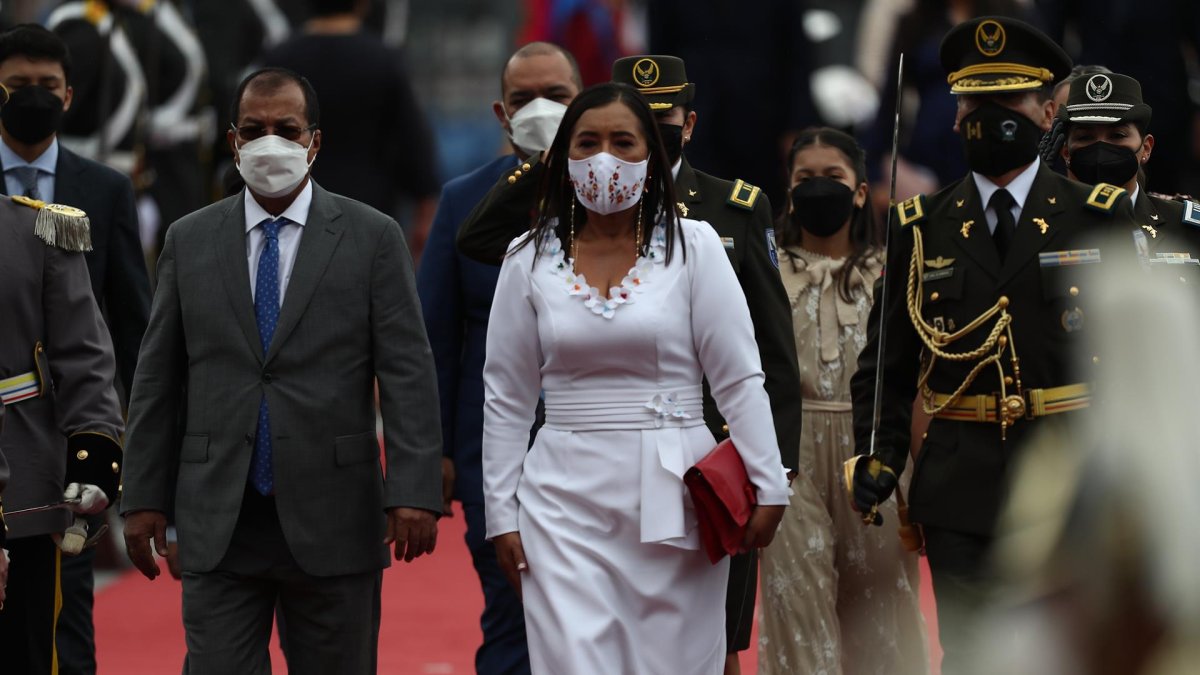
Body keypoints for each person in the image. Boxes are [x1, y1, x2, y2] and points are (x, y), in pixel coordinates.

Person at [457, 54, 803, 674]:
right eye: (587, 143)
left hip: (677, 495)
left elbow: (738, 377)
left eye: (623, 142)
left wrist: (769, 481)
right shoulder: (527, 257)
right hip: (560, 498)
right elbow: (506, 396)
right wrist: (500, 515)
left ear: (651, 154)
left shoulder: (696, 245)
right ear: (562, 156)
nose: (604, 159)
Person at [119, 67, 443, 674]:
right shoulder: (189, 240)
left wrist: (414, 489)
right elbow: (157, 378)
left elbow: (407, 373)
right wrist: (141, 495)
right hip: (220, 515)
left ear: (314, 141)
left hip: (336, 514)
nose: (270, 142)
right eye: (254, 129)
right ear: (232, 141)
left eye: (287, 129)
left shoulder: (373, 237)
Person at [849, 16, 1138, 675]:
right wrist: (880, 453)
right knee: (973, 656)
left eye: (1008, 100)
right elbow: (887, 365)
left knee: (1073, 655)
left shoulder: (1097, 216)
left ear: (1048, 112)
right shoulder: (919, 227)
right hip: (962, 481)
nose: (989, 117)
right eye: (975, 102)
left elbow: (1129, 359)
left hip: (1068, 476)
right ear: (955, 117)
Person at [416, 40, 582, 675]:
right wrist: (434, 451)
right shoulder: (464, 199)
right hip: (493, 453)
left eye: (556, 96)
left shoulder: (620, 193)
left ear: (582, 100)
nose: (540, 109)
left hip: (604, 450)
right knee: (512, 620)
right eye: (524, 98)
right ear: (501, 113)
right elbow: (434, 336)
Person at [0, 23, 152, 675]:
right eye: (18, 85)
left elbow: (125, 324)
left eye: (46, 85)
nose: (33, 97)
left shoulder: (97, 193)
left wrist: (115, 445)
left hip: (56, 455)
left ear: (69, 95)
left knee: (59, 635)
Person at [758, 127, 928, 675]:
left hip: (873, 449)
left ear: (859, 191)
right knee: (797, 611)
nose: (818, 187)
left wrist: (919, 472)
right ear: (789, 191)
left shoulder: (892, 270)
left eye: (833, 176)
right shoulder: (765, 270)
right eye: (805, 177)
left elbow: (914, 378)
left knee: (879, 617)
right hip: (788, 454)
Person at [0, 169, 124, 672]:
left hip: (22, 484)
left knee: (24, 652)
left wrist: (93, 457)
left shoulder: (39, 230)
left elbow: (83, 356)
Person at [259, 0, 440, 260]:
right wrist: (425, 208)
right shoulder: (383, 59)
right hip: (369, 209)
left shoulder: (279, 58)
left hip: (292, 206)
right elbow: (413, 142)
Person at [1055, 70, 1200, 259]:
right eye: (1085, 137)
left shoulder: (1185, 228)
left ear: (1146, 148)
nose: (1101, 148)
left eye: (1117, 135)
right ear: (1066, 152)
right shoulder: (1043, 224)